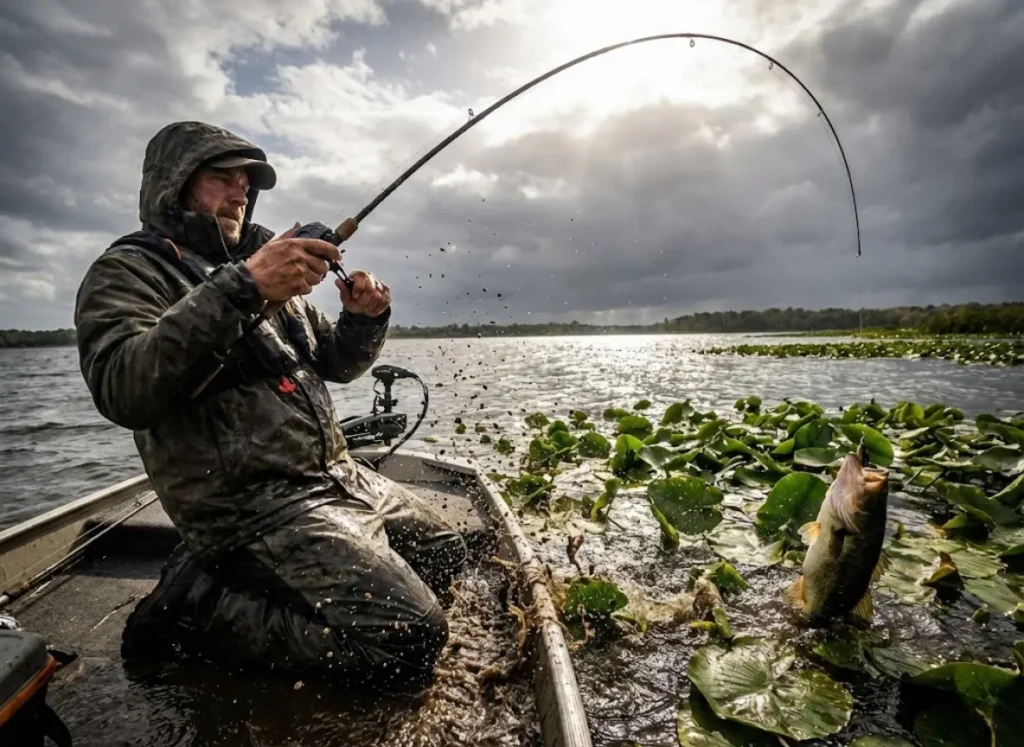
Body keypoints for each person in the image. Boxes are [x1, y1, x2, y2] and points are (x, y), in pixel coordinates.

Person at [73, 121, 467, 688]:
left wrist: (363, 318)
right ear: (173, 184)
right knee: (408, 639)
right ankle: (194, 609)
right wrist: (244, 286)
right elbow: (121, 388)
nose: (239, 194)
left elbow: (334, 363)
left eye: (245, 183)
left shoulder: (269, 261)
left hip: (336, 478)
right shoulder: (128, 272)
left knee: (446, 556)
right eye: (221, 179)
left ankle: (232, 585)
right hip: (250, 509)